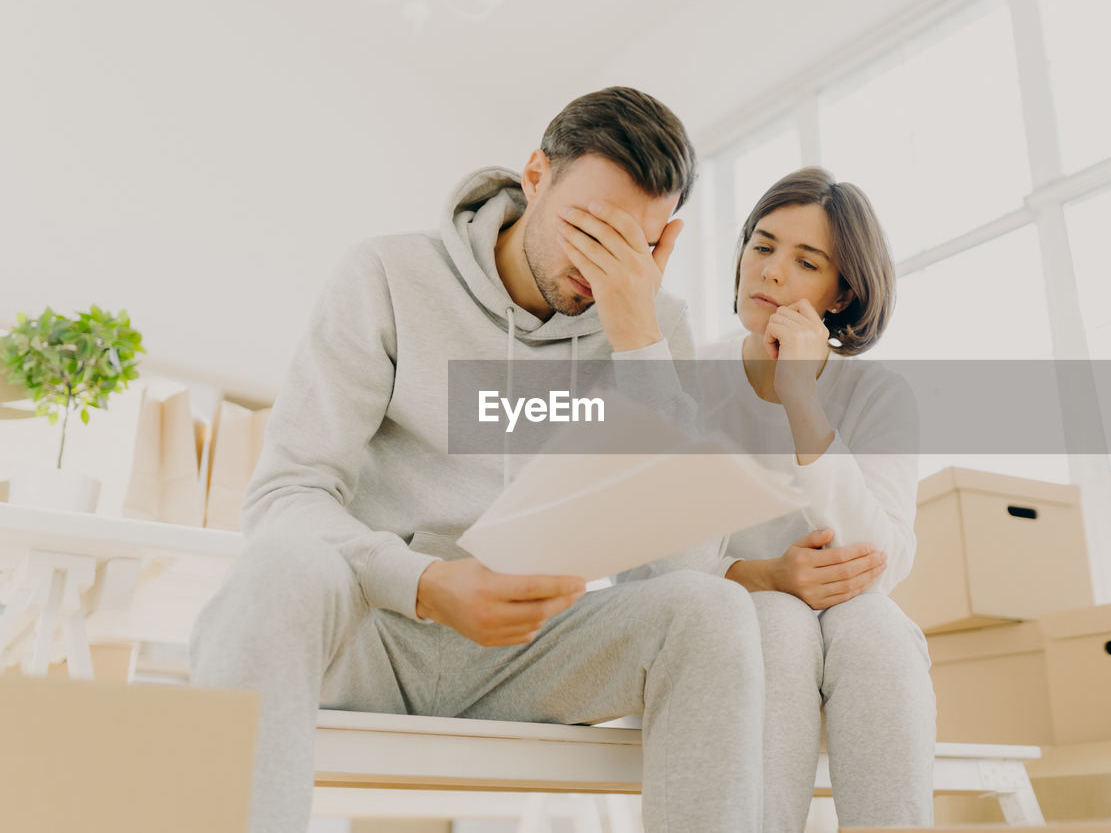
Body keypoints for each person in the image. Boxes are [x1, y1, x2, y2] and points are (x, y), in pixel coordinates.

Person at [190, 87, 765, 833]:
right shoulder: (386, 275)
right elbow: (284, 496)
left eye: (632, 247)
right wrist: (423, 582)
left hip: (529, 653)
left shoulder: (656, 326)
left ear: (666, 241)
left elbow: (677, 575)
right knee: (279, 567)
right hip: (378, 626)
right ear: (535, 175)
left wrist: (638, 344)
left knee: (715, 609)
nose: (602, 269)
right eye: (587, 230)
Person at [699, 167, 935, 829]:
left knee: (877, 625)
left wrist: (800, 396)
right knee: (777, 619)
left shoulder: (880, 394)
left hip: (853, 633)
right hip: (733, 625)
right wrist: (766, 576)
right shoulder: (686, 377)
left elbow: (877, 563)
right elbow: (646, 560)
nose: (770, 272)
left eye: (805, 262)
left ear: (841, 294)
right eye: (762, 245)